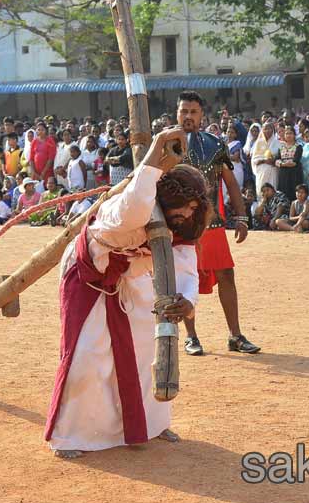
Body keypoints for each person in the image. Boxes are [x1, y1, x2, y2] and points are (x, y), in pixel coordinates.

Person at [45, 126, 205, 458]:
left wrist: (186, 301)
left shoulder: (181, 225)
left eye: (193, 209)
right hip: (89, 276)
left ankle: (151, 424)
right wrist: (156, 150)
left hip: (131, 279)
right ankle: (71, 435)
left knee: (146, 348)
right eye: (183, 206)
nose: (187, 215)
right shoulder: (126, 207)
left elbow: (186, 263)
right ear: (166, 197)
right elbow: (137, 201)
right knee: (87, 356)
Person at [176, 91, 260, 356]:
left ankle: (235, 335)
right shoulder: (165, 144)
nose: (188, 116)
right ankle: (191, 337)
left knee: (226, 275)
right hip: (180, 227)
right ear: (177, 113)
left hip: (212, 226)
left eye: (193, 112)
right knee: (185, 280)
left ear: (202, 115)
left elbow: (231, 183)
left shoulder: (215, 144)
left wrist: (242, 217)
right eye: (184, 111)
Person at [275, 125, 302, 201]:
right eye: (287, 133)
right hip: (283, 174)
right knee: (283, 192)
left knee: (293, 192)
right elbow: (276, 160)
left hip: (294, 173)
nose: (288, 135)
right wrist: (283, 164)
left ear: (294, 135)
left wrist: (282, 164)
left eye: (290, 133)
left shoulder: (298, 147)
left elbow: (295, 162)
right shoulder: (281, 147)